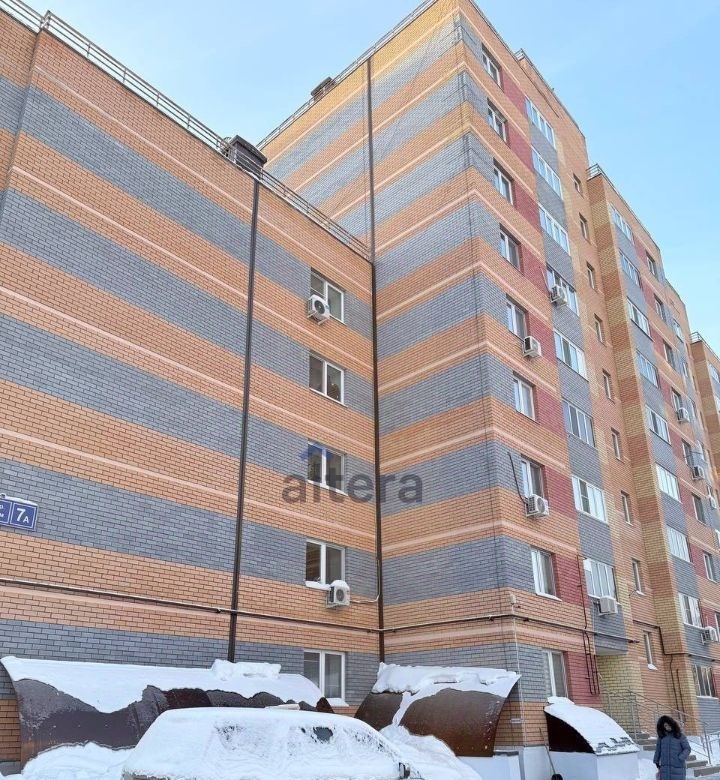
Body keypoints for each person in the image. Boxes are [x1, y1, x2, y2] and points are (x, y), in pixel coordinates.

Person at [653, 715, 691, 780]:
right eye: (665, 726)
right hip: (665, 767)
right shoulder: (662, 737)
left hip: (678, 767)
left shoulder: (680, 736)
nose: (667, 727)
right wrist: (656, 761)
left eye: (669, 725)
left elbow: (687, 749)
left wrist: (680, 758)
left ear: (672, 724)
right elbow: (658, 750)